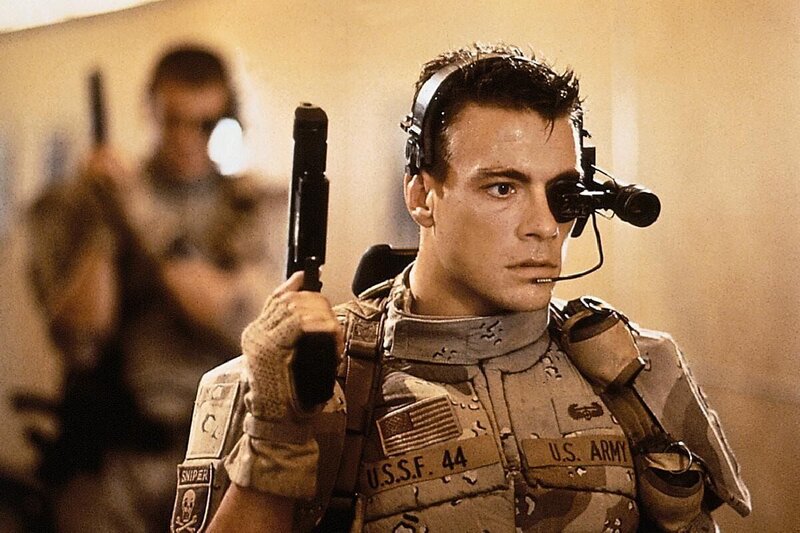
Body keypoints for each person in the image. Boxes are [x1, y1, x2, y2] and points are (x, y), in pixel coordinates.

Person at [174, 43, 751, 532]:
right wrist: (276, 439)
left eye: (560, 193)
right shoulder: (291, 388)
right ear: (422, 196)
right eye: (503, 188)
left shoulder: (637, 376)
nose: (543, 226)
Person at [27, 44, 274, 531]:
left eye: (203, 124)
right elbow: (81, 334)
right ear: (151, 111)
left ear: (226, 117)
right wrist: (104, 222)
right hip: (120, 454)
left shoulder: (247, 203)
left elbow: (228, 314)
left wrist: (139, 212)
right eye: (172, 120)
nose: (186, 138)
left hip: (220, 453)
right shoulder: (100, 200)